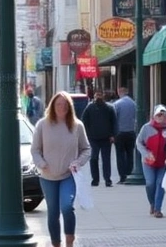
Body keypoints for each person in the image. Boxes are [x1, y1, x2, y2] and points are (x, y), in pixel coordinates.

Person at [32, 91, 91, 247]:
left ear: (69, 107)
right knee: (53, 212)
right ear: (52, 106)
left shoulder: (77, 126)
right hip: (47, 176)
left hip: (68, 175)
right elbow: (35, 149)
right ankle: (56, 243)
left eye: (65, 105)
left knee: (67, 206)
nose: (62, 107)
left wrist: (78, 162)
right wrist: (41, 162)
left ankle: (69, 242)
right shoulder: (42, 125)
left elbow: (86, 149)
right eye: (58, 104)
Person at [136, 104, 166, 217]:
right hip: (149, 162)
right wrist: (146, 154)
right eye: (159, 114)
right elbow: (139, 142)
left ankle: (157, 208)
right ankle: (152, 202)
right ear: (154, 116)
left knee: (160, 183)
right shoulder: (146, 128)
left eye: (163, 114)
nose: (161, 117)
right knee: (150, 183)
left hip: (163, 162)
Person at [81, 90, 117, 187]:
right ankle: (95, 179)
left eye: (100, 95)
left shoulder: (109, 108)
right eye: (97, 95)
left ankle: (107, 180)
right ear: (94, 96)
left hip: (106, 138)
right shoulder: (89, 108)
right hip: (93, 138)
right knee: (93, 158)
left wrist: (113, 135)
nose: (98, 97)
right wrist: (86, 135)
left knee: (106, 159)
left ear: (103, 96)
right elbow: (84, 121)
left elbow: (114, 122)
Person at [112, 86, 137, 184]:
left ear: (119, 92)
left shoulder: (117, 104)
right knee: (130, 154)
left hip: (120, 133)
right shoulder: (134, 103)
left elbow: (114, 119)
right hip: (131, 132)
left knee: (120, 155)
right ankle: (129, 172)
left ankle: (122, 176)